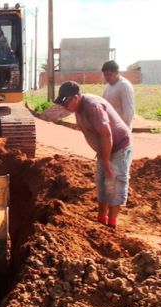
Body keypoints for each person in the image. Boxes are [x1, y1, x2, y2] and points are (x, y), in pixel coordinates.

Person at [54, 81, 133, 230]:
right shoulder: (78, 109)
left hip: (119, 146)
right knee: (103, 183)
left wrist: (108, 163)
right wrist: (102, 157)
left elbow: (106, 134)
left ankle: (112, 224)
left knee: (115, 182)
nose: (65, 107)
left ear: (76, 97)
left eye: (66, 102)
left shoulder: (92, 106)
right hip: (104, 149)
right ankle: (101, 219)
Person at [101, 60, 135, 129]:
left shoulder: (124, 86)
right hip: (111, 127)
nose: (107, 77)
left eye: (110, 75)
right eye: (105, 75)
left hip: (122, 128)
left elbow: (129, 111)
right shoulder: (107, 87)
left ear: (117, 73)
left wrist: (124, 129)